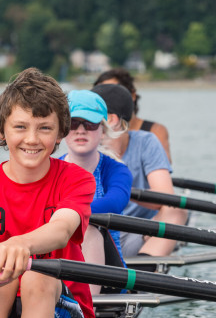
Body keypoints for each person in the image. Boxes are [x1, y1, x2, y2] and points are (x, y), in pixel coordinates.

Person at [0, 68, 95, 318]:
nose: (31, 139)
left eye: (44, 128)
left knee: (35, 277)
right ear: (2, 131)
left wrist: (17, 244)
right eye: (20, 127)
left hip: (61, 298)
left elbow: (62, 230)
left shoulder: (77, 179)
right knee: (2, 277)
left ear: (60, 134)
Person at [91, 83, 188, 258]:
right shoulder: (85, 148)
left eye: (90, 116)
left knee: (176, 210)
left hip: (138, 233)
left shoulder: (146, 141)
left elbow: (165, 196)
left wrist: (119, 191)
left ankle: (146, 269)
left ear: (111, 119)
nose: (80, 126)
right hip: (96, 233)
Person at [59, 90, 132, 295]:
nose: (81, 130)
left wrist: (63, 215)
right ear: (63, 129)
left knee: (89, 226)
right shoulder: (49, 169)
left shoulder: (116, 170)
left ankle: (86, 305)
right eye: (74, 124)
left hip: (109, 275)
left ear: (103, 130)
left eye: (90, 124)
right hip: (58, 264)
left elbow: (115, 202)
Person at [94, 68, 172, 164]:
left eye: (113, 92)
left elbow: (163, 164)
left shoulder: (154, 132)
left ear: (132, 95)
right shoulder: (94, 133)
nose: (106, 99)